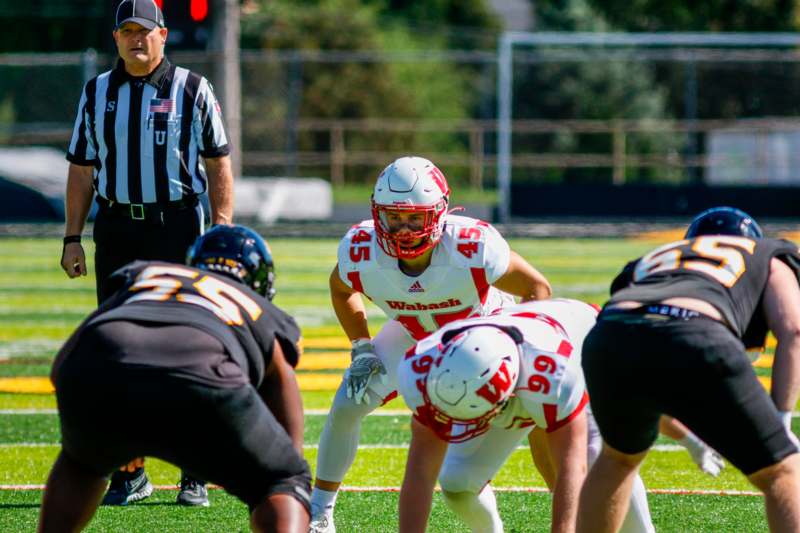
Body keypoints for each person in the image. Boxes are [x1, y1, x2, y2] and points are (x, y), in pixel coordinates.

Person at [309, 156, 552, 532]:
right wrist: (361, 346)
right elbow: (340, 290)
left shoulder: (471, 246)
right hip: (412, 334)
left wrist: (516, 351)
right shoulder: (360, 249)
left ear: (437, 214)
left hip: (480, 338)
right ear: (378, 215)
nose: (404, 230)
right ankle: (319, 514)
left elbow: (537, 288)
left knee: (462, 467)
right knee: (347, 404)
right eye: (393, 218)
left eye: (414, 219)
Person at [59, 0, 234, 506]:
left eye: (146, 31)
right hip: (117, 229)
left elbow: (218, 162)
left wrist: (220, 231)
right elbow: (81, 168)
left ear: (163, 37)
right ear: (116, 38)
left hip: (178, 225)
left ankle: (194, 469)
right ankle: (130, 471)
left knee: (189, 348)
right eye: (127, 31)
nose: (137, 39)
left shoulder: (194, 89)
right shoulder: (96, 93)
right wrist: (73, 236)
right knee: (119, 352)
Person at [39, 225, 310, 533]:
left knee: (80, 465)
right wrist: (288, 475)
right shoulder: (257, 307)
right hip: (203, 378)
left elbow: (61, 366)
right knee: (285, 480)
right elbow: (285, 409)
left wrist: (113, 433)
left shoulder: (145, 274)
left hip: (99, 368)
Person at [577, 206, 800, 533]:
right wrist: (781, 419)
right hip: (696, 332)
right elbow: (793, 329)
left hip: (609, 338)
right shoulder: (767, 252)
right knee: (782, 471)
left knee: (618, 459)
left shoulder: (654, 258)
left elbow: (647, 354)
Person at [397, 298, 656, 533]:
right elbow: (420, 471)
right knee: (457, 481)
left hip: (587, 344)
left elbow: (571, 467)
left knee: (601, 458)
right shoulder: (419, 367)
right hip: (515, 360)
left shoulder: (554, 374)